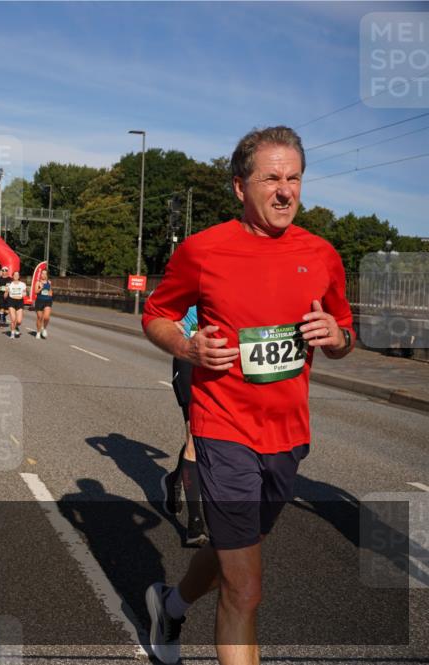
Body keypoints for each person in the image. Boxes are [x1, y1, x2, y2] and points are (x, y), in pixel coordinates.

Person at [141, 126, 354, 665]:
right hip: (222, 429)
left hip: (288, 438)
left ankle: (170, 603)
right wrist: (188, 347)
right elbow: (156, 314)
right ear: (240, 187)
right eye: (271, 179)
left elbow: (345, 335)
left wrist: (337, 337)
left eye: (294, 178)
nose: (285, 191)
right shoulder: (203, 251)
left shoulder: (322, 253)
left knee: (236, 551)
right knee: (247, 589)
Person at [160, 305, 208, 547]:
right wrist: (169, 325)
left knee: (207, 437)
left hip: (220, 359)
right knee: (195, 438)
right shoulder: (191, 270)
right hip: (189, 357)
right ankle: (195, 523)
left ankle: (174, 481)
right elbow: (159, 308)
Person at [32, 268, 54, 339]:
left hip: (48, 300)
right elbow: (35, 292)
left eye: (45, 273)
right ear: (40, 274)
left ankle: (44, 329)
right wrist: (40, 288)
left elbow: (51, 294)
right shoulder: (38, 282)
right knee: (39, 317)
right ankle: (38, 332)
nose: (43, 275)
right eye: (42, 273)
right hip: (39, 301)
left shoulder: (49, 282)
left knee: (46, 317)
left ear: (47, 275)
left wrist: (50, 287)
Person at [6, 271, 26, 337]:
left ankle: (16, 326)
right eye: (15, 275)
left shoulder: (22, 284)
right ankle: (12, 333)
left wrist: (24, 294)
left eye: (17, 275)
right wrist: (6, 292)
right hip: (11, 301)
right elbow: (5, 296)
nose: (16, 276)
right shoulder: (9, 284)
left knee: (19, 321)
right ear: (13, 276)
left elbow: (24, 293)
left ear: (19, 276)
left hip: (20, 301)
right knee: (13, 319)